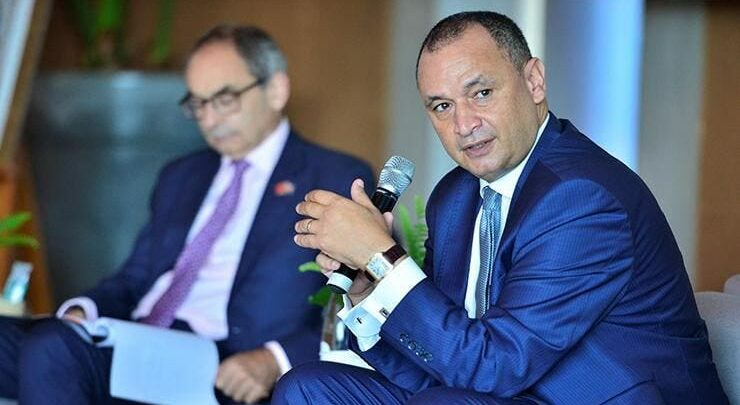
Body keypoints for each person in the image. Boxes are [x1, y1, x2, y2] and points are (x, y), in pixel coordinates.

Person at [274, 11, 728, 404]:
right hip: (491, 389)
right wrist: (368, 283)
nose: (464, 124)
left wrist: (383, 257)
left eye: (482, 93)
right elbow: (442, 359)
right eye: (442, 106)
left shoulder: (582, 197)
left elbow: (497, 366)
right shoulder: (455, 197)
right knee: (308, 389)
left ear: (534, 82)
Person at [0, 25, 373, 404]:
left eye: (224, 99)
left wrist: (275, 358)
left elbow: (363, 304)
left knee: (52, 348)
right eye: (197, 103)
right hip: (133, 339)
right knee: (33, 340)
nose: (208, 119)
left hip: (217, 360)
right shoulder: (181, 176)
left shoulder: (333, 177)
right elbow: (134, 279)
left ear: (276, 89)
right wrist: (84, 310)